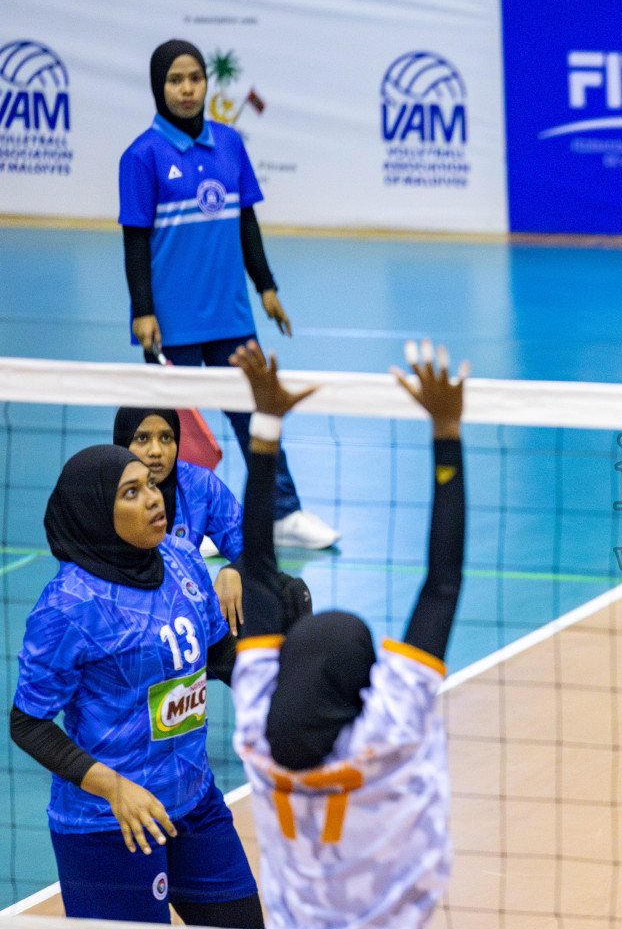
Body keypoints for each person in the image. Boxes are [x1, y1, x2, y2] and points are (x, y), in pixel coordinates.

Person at [229, 338, 467, 929]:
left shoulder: (260, 732)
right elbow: (443, 580)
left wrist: (265, 421)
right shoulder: (383, 731)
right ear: (360, 685)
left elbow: (254, 570)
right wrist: (447, 430)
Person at [8, 445, 262, 926]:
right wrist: (115, 788)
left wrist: (278, 670)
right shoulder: (69, 606)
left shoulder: (183, 558)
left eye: (150, 484)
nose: (153, 499)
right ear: (98, 513)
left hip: (194, 800)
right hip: (109, 823)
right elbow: (28, 723)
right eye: (131, 492)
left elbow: (214, 654)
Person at [119, 37, 339, 550]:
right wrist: (144, 310)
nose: (187, 88)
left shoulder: (231, 144)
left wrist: (266, 286)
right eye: (175, 79)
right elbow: (134, 240)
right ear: (159, 87)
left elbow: (246, 221)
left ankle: (283, 512)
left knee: (259, 414)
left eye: (195, 77)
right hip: (171, 323)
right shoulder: (142, 156)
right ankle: (189, 526)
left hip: (232, 316)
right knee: (177, 436)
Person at [114, 406, 245, 603]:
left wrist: (235, 570)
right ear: (123, 443)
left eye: (166, 438)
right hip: (123, 614)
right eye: (142, 438)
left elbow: (252, 549)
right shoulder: (104, 492)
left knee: (290, 590)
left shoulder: (199, 485)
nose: (156, 451)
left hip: (187, 610)